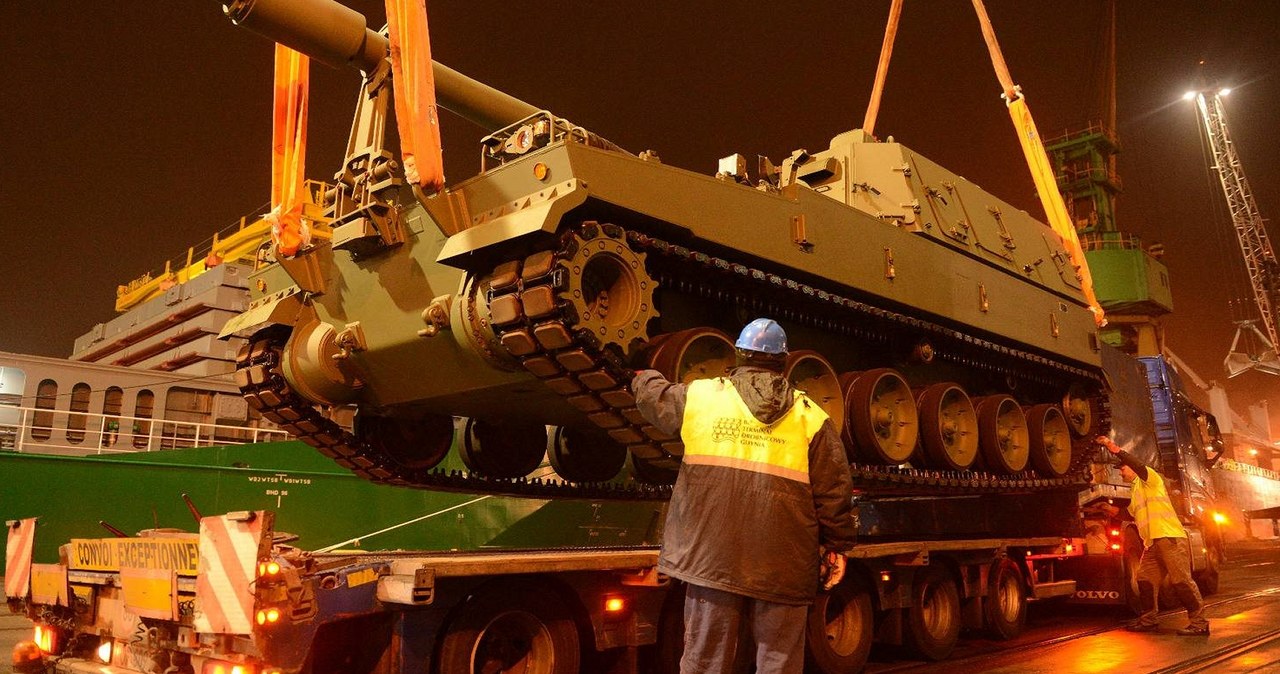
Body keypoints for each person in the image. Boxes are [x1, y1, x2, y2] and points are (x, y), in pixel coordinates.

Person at [631, 318, 857, 673]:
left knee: (706, 660)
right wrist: (838, 546)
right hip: (785, 565)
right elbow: (834, 492)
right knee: (779, 662)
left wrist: (643, 370)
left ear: (739, 355)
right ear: (783, 363)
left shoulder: (702, 397)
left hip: (712, 557)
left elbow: (654, 398)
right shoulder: (811, 418)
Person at [1096, 435, 1210, 636]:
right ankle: (1149, 619)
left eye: (1122, 468)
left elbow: (1136, 463)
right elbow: (1127, 514)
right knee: (1144, 579)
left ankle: (1199, 623)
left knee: (1181, 581)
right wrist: (1106, 509)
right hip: (1152, 544)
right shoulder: (1136, 491)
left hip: (1169, 538)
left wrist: (1110, 446)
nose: (1121, 472)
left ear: (1131, 468)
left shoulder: (1150, 479)